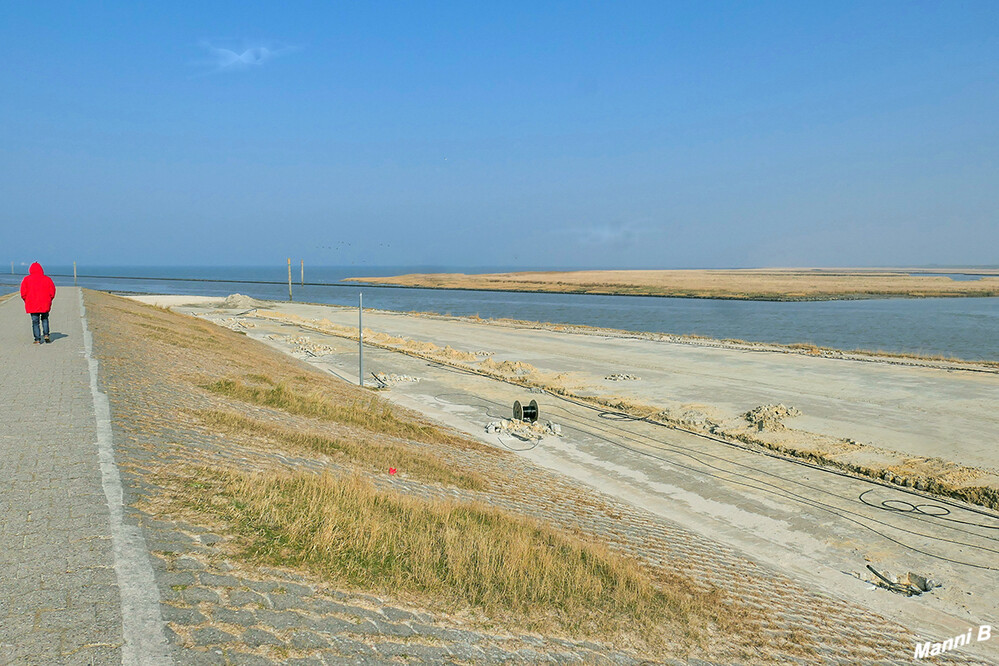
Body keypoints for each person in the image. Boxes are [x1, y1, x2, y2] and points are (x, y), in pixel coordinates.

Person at [20, 262, 57, 344]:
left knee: (35, 322)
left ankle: (37, 339)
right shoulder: (47, 279)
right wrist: (49, 300)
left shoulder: (26, 279)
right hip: (45, 303)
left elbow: (23, 293)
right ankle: (46, 335)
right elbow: (52, 292)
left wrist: (26, 300)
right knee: (45, 319)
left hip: (32, 304)